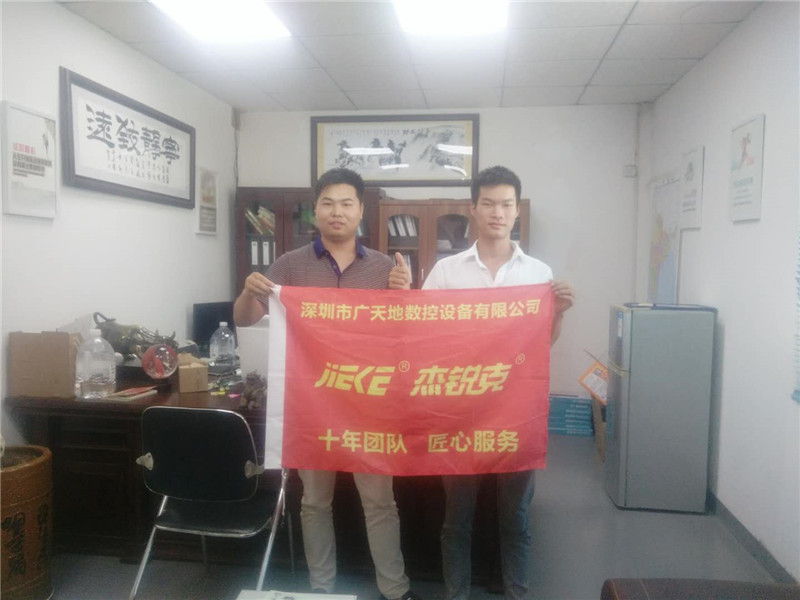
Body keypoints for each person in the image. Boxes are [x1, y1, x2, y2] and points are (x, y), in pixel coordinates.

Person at [233, 168, 418, 600]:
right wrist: (247, 291)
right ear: (315, 210)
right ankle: (321, 588)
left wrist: (404, 294)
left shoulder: (385, 268)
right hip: (312, 405)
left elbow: (405, 334)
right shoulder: (289, 265)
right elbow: (245, 318)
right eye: (328, 203)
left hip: (369, 405)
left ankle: (395, 589)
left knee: (380, 502)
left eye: (347, 203)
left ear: (361, 210)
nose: (338, 212)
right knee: (315, 501)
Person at [422, 165, 575, 600]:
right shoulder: (447, 272)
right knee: (457, 518)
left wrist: (559, 313)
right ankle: (456, 594)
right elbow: (425, 336)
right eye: (488, 203)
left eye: (506, 204)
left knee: (515, 517)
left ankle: (515, 593)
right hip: (460, 413)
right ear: (472, 209)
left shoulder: (538, 273)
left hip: (515, 412)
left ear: (516, 211)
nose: (497, 213)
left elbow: (542, 343)